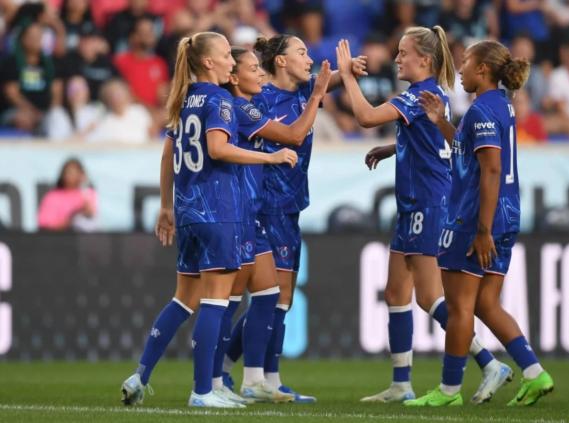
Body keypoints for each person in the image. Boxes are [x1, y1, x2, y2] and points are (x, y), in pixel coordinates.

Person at [119, 31, 298, 409]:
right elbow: (218, 148)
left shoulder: (184, 100)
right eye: (226, 56)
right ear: (208, 62)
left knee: (184, 300)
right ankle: (204, 390)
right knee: (216, 302)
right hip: (219, 210)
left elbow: (169, 154)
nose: (233, 63)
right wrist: (270, 157)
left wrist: (166, 205)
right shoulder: (220, 99)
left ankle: (140, 374)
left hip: (188, 211)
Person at [335, 28, 511, 405]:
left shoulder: (417, 96)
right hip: (414, 202)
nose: (397, 59)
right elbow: (427, 141)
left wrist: (347, 76)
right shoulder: (433, 96)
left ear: (425, 61)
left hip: (430, 204)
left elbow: (365, 116)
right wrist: (390, 148)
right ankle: (401, 384)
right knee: (396, 291)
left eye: (404, 53)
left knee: (430, 296)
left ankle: (488, 362)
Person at [218, 33, 366, 403]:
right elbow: (294, 133)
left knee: (278, 298)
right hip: (265, 205)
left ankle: (247, 371)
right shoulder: (261, 98)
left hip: (291, 206)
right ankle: (260, 375)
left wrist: (344, 73)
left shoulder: (300, 92)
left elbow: (321, 84)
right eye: (301, 52)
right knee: (272, 295)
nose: (309, 58)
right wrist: (322, 88)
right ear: (280, 62)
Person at [408, 39, 553, 407]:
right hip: (506, 214)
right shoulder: (498, 105)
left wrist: (482, 230)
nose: (461, 70)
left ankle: (448, 391)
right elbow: (469, 151)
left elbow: (490, 169)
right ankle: (535, 374)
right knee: (487, 303)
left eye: (466, 62)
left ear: (483, 69)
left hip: (475, 218)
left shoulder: (483, 110)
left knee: (459, 308)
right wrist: (441, 121)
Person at [37, 158, 97, 231]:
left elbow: (92, 219)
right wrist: (71, 219)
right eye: (69, 172)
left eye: (75, 172)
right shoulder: (52, 196)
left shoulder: (88, 193)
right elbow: (44, 224)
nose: (70, 176)